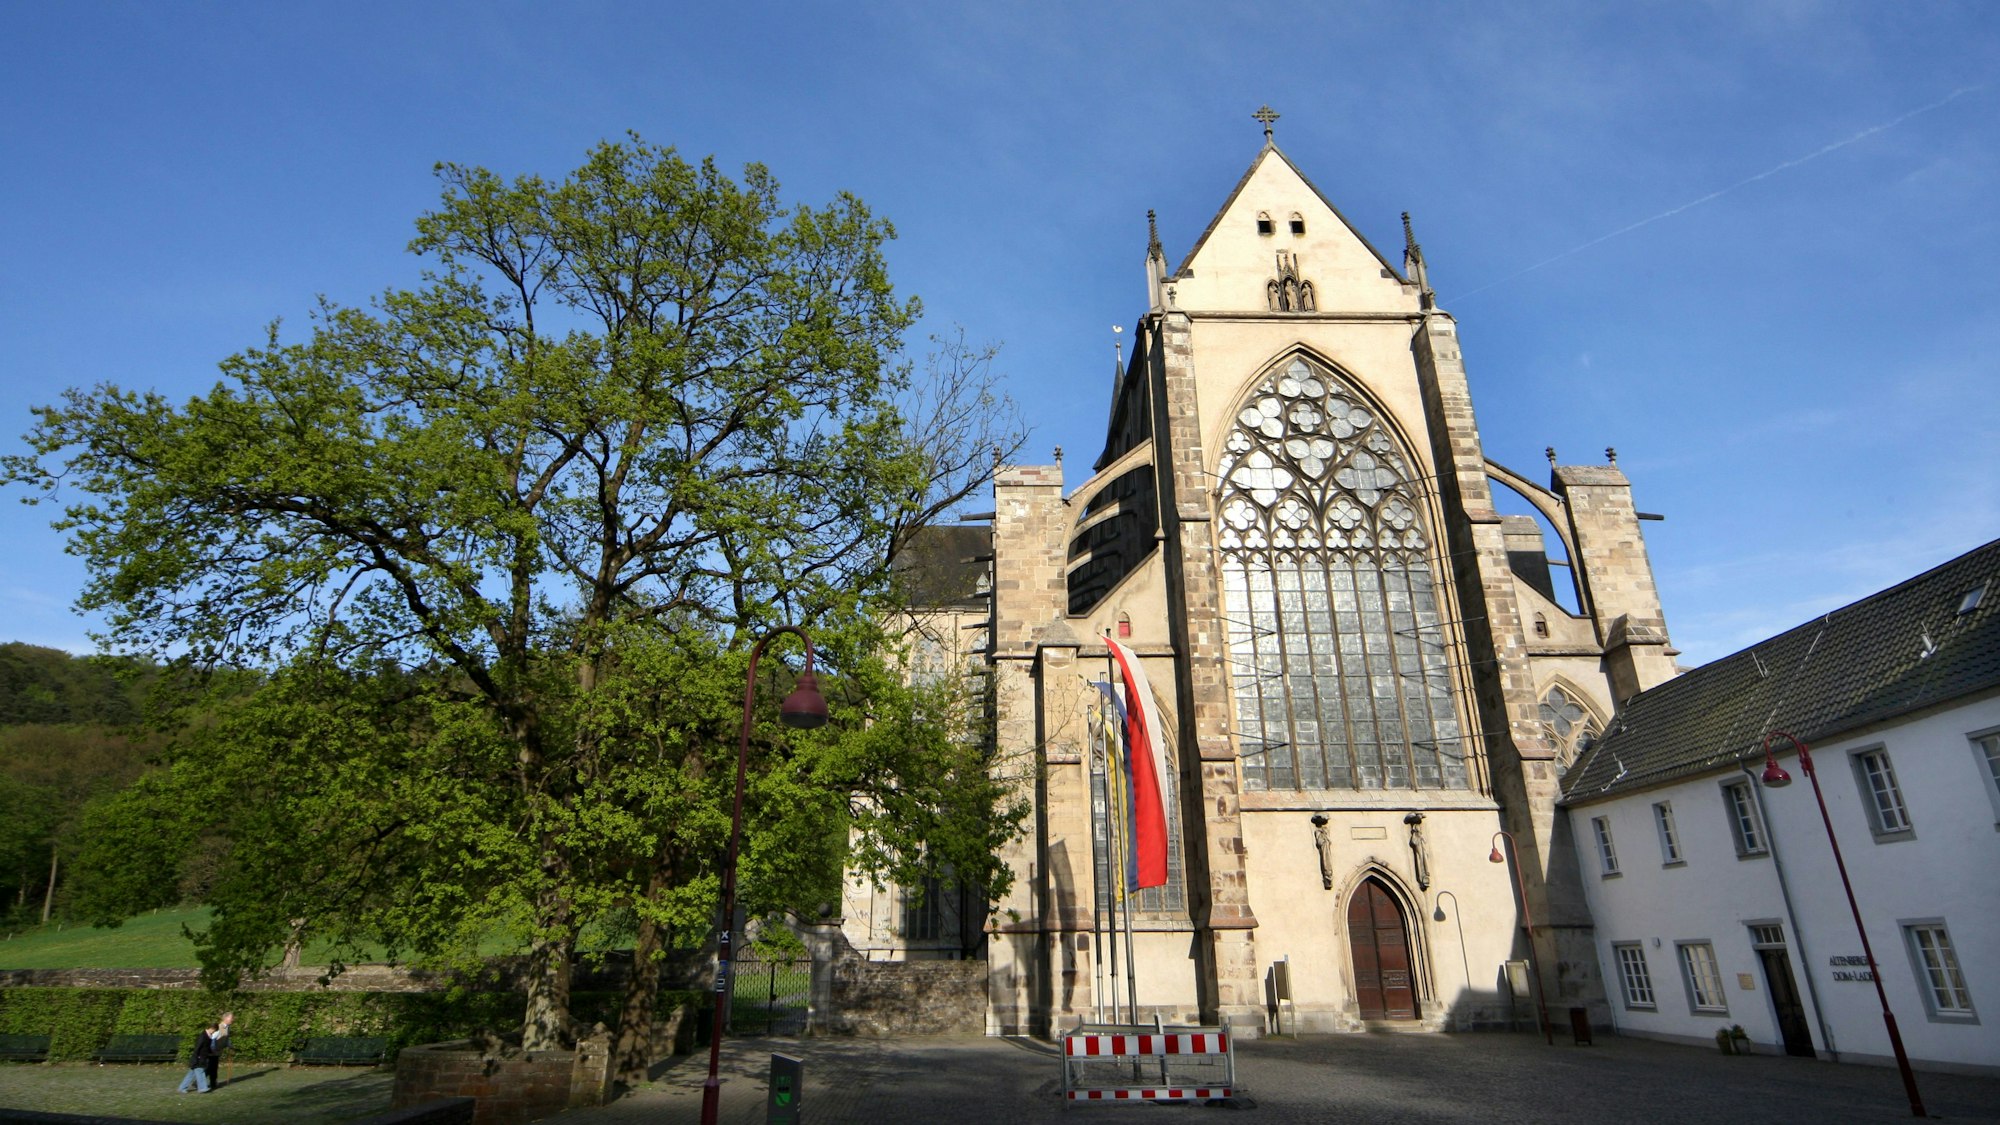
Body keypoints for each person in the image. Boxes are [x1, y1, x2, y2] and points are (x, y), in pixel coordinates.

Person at [177, 1024, 217, 1093]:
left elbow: (206, 1047)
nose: (214, 1032)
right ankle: (202, 1088)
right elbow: (197, 1047)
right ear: (211, 1028)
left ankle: (182, 1088)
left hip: (201, 1058)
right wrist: (196, 1057)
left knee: (191, 1074)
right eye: (214, 1030)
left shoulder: (208, 1036)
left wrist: (212, 1052)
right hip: (199, 1059)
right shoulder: (203, 1036)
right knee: (200, 1072)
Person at [204, 1012, 233, 1089]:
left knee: (212, 1068)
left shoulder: (227, 1027)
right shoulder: (219, 1027)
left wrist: (230, 1045)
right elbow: (212, 1038)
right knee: (210, 1068)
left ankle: (212, 1083)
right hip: (212, 1052)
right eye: (231, 1018)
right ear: (225, 1018)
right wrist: (213, 1050)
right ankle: (200, 1082)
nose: (232, 1019)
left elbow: (226, 1039)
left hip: (217, 1052)